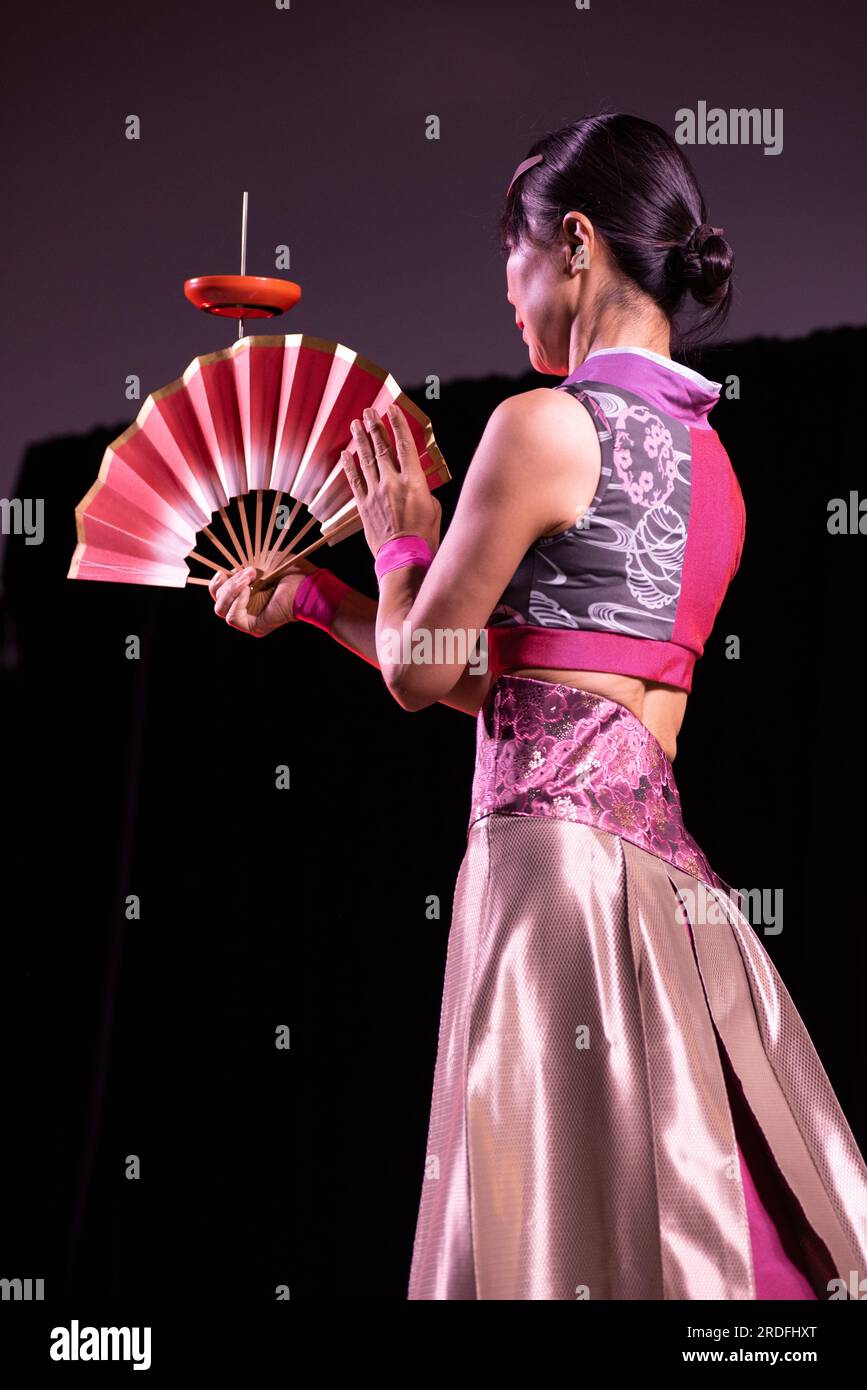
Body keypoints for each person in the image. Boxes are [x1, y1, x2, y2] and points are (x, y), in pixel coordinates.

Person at [209, 112, 867, 1300]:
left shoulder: (536, 424)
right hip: (667, 888)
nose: (508, 297)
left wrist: (404, 523)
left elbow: (420, 670)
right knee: (688, 1223)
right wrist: (315, 599)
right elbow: (509, 684)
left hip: (549, 876)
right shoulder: (718, 474)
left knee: (544, 1224)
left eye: (509, 256)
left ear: (571, 242)